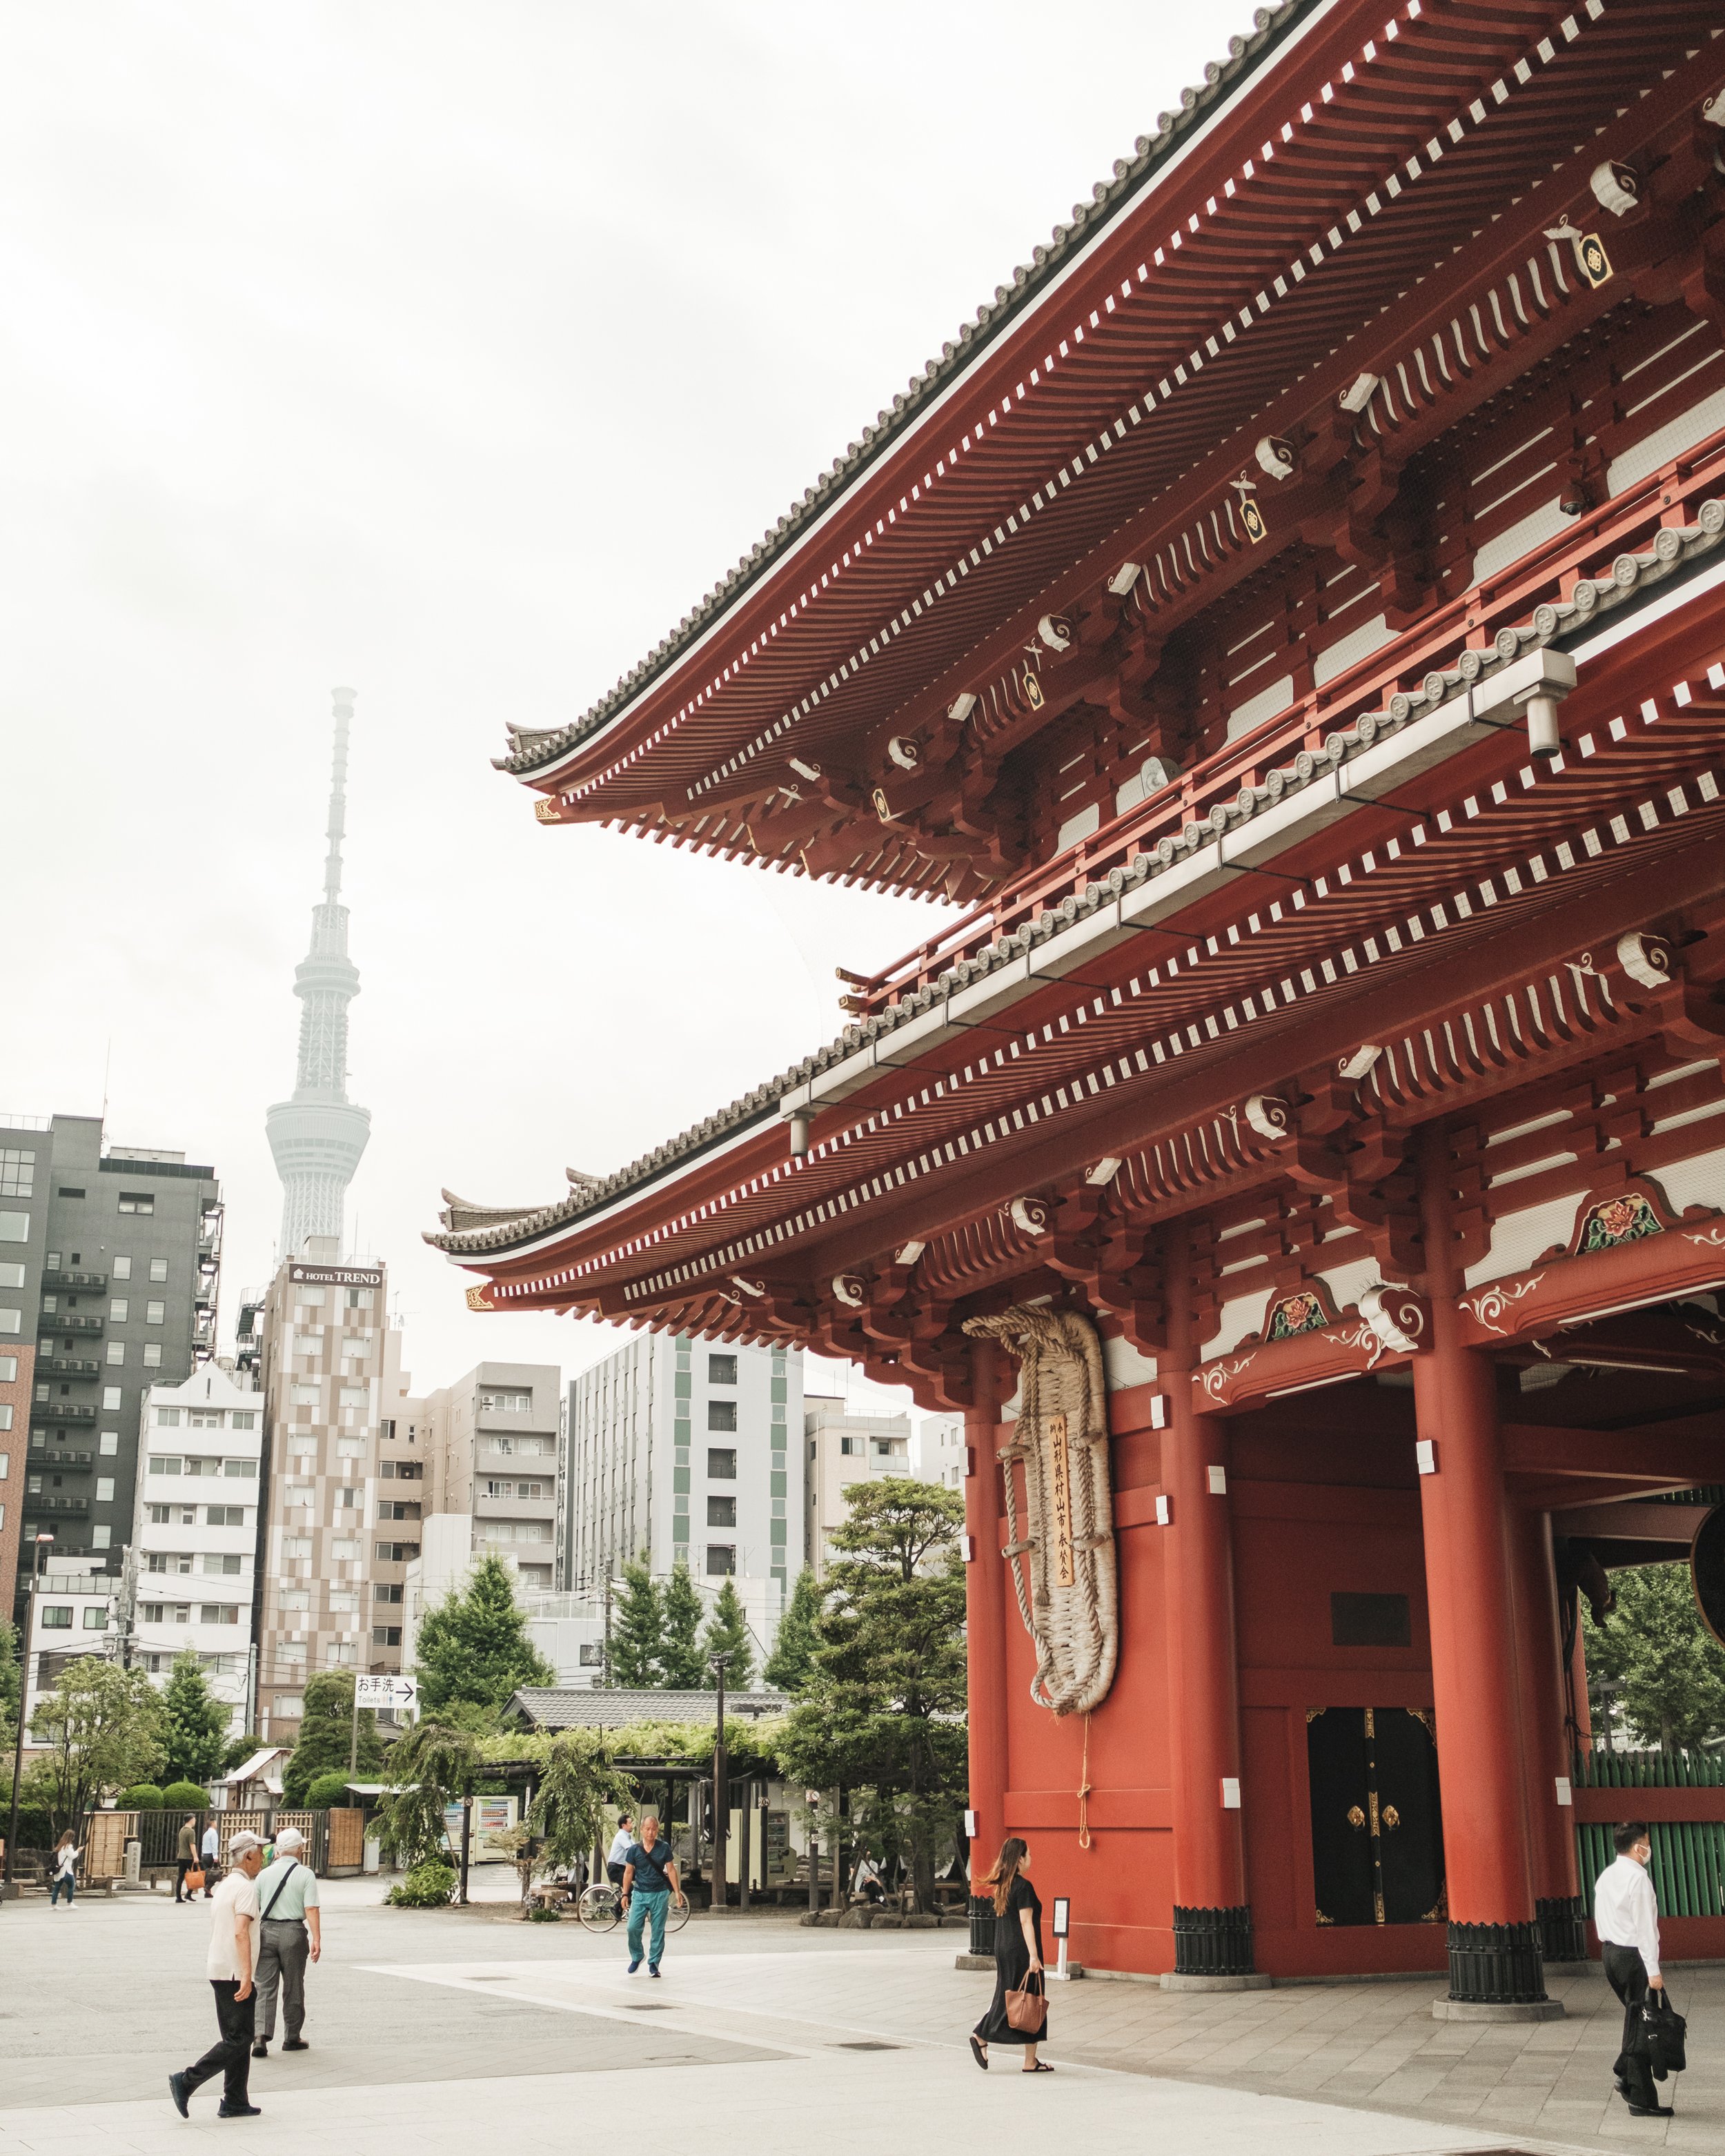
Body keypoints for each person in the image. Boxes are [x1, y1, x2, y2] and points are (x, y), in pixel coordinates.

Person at [168, 1827, 265, 2121]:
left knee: (237, 2037)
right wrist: (247, 1975)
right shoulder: (245, 1888)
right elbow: (240, 1932)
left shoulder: (225, 1886)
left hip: (218, 1966)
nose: (263, 1856)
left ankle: (235, 2100)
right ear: (248, 1855)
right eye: (260, 1851)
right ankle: (186, 2081)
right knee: (239, 2038)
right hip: (235, 1971)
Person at [1595, 1819, 1672, 2119]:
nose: (1649, 1849)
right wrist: (1653, 1970)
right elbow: (1646, 1930)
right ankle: (1638, 2095)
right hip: (1634, 1957)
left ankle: (1628, 2076)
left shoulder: (1607, 1876)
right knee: (1643, 2024)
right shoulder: (1638, 1879)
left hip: (1610, 1954)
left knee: (1638, 2021)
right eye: (1648, 1844)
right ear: (1639, 1846)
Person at [970, 1837, 1049, 2075]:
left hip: (1003, 1948)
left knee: (1009, 1997)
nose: (1031, 1860)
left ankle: (1028, 2059)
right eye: (1029, 1855)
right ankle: (981, 2035)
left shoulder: (1003, 1885)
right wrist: (1034, 1957)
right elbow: (1026, 1923)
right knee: (1031, 1999)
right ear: (1020, 1859)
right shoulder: (1023, 1886)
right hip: (1022, 1951)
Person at [250, 1825, 321, 2059]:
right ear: (300, 1848)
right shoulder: (305, 1874)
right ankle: (292, 2037)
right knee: (293, 1986)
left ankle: (260, 2035)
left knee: (264, 1987)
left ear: (279, 1850)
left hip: (266, 1931)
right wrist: (317, 1938)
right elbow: (311, 1907)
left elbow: (254, 1908)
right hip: (293, 1932)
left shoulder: (264, 1874)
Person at [620, 1812, 684, 1978]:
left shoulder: (664, 1847)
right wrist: (625, 1894)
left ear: (658, 1830)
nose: (651, 1833)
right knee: (632, 1927)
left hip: (660, 1894)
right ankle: (637, 1955)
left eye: (654, 1829)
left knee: (658, 1930)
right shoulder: (634, 1850)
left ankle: (654, 1963)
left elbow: (671, 1870)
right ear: (641, 1830)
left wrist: (677, 1892)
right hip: (640, 1894)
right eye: (647, 1829)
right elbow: (628, 1873)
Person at [48, 1832, 81, 1908]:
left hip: (58, 1871)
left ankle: (54, 1905)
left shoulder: (60, 1847)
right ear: (71, 1837)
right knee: (71, 1885)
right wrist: (78, 1851)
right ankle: (69, 1903)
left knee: (57, 1888)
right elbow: (72, 1856)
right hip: (66, 1870)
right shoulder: (68, 1846)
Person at [175, 1816, 199, 1904]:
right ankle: (188, 1894)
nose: (195, 1821)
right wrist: (195, 1857)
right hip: (189, 1857)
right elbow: (192, 1845)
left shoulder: (182, 1830)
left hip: (180, 1856)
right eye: (195, 1819)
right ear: (191, 1820)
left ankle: (178, 1897)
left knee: (181, 1877)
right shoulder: (191, 1831)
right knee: (196, 1874)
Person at [606, 1813, 633, 1887]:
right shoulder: (621, 1835)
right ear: (623, 1825)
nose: (632, 1825)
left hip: (621, 1868)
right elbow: (632, 1850)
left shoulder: (627, 1836)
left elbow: (636, 1848)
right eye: (630, 1823)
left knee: (641, 1875)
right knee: (630, 1889)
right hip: (615, 1869)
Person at [201, 1817, 221, 1898]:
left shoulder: (206, 1834)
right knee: (216, 1874)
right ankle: (208, 1888)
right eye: (215, 1823)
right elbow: (214, 1845)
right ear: (212, 1823)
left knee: (207, 1874)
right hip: (211, 1855)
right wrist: (215, 1857)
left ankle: (207, 1892)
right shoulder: (213, 1833)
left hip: (204, 1855)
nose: (216, 1824)